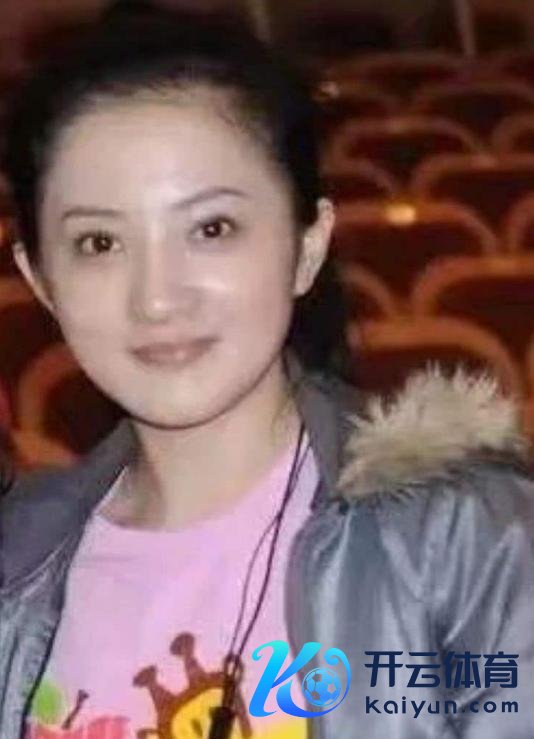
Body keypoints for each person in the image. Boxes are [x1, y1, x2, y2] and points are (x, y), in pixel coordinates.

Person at [1, 7, 533, 739]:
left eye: (211, 229)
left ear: (307, 247)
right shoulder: (16, 569)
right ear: (40, 280)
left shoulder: (467, 542)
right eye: (99, 243)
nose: (157, 297)